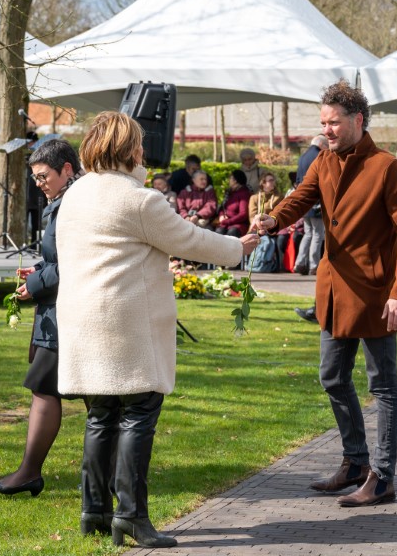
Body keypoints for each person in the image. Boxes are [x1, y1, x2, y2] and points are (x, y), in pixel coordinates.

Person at [55, 111, 258, 546]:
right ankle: (130, 514)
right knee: (138, 414)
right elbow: (190, 240)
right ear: (128, 149)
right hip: (126, 323)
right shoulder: (140, 200)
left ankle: (94, 510)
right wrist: (238, 247)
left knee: (100, 417)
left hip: (83, 320)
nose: (145, 151)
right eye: (140, 144)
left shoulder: (75, 194)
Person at [253, 80, 397, 508]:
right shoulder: (324, 161)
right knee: (332, 377)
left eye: (333, 122)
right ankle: (355, 462)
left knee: (383, 386)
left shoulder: (386, 167)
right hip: (333, 291)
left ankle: (382, 478)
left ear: (357, 121)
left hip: (377, 293)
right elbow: (299, 198)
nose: (326, 130)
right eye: (323, 123)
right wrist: (272, 220)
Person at [0, 140, 81, 498]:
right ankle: (33, 472)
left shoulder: (73, 203)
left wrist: (35, 285)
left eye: (44, 177)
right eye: (36, 178)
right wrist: (38, 271)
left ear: (67, 170)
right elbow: (59, 257)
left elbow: (75, 261)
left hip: (69, 313)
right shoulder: (62, 201)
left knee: (52, 389)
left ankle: (30, 473)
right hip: (60, 311)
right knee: (65, 392)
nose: (39, 184)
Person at [293, 135, 329, 277]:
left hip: (304, 202)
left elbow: (297, 181)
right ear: (321, 144)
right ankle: (313, 266)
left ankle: (299, 262)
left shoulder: (302, 157)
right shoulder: (320, 156)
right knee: (317, 234)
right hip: (316, 202)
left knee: (308, 234)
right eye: (326, 146)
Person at [214, 169, 252, 236]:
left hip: (239, 225)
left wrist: (228, 221)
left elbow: (243, 214)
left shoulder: (244, 194)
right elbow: (223, 207)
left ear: (235, 181)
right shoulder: (229, 192)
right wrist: (221, 215)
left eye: (230, 178)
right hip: (226, 223)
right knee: (218, 232)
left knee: (231, 233)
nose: (229, 181)